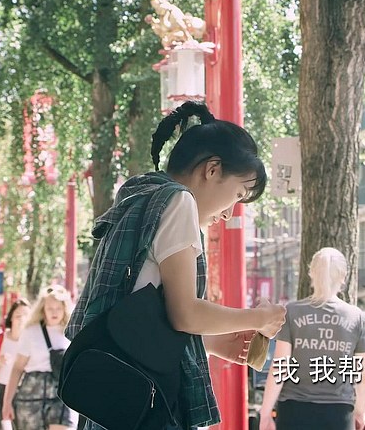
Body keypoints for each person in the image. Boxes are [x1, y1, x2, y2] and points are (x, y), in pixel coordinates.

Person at [66, 101, 287, 430]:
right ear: (212, 170)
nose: (229, 212)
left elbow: (138, 316)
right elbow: (184, 313)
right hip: (143, 405)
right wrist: (260, 318)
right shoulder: (179, 202)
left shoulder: (141, 197)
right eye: (238, 194)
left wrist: (209, 344)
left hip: (116, 394)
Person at [259, 248, 365, 430]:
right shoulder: (356, 317)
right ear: (343, 277)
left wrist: (265, 413)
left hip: (294, 411)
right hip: (339, 413)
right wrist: (360, 411)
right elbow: (363, 374)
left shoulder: (292, 312)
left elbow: (280, 366)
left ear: (311, 273)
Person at [2, 285, 76, 430]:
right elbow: (18, 368)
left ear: (65, 308)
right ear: (43, 309)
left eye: (58, 308)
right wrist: (7, 402)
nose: (54, 312)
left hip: (61, 394)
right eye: (50, 308)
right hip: (32, 394)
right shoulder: (31, 332)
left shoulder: (72, 332)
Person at [0, 299, 31, 430]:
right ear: (11, 318)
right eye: (18, 315)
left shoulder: (31, 341)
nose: (21, 319)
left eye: (26, 315)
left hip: (20, 390)